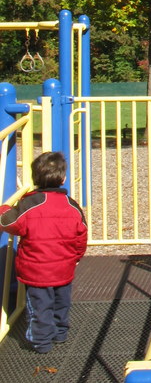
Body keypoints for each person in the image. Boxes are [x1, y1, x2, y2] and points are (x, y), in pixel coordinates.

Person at [0, 151, 88, 354]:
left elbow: (11, 222)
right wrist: (76, 257)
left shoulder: (29, 204)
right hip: (63, 267)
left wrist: (4, 209)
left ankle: (41, 341)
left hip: (36, 270)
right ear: (63, 179)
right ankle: (61, 332)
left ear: (35, 179)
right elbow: (81, 234)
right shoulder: (71, 205)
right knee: (61, 301)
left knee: (40, 306)